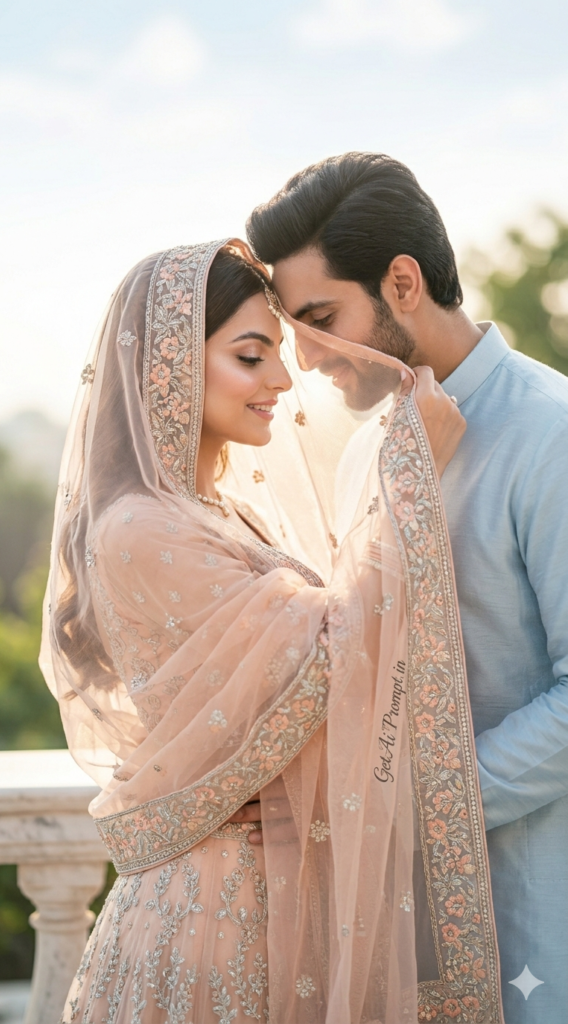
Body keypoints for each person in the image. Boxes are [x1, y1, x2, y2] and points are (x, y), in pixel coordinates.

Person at [40, 237, 497, 1024]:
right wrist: (410, 478)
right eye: (252, 357)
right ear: (169, 365)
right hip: (209, 917)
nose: (283, 382)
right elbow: (323, 663)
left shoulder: (212, 513)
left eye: (280, 354)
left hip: (264, 894)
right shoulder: (137, 530)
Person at [247, 151, 568, 1024]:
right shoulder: (365, 454)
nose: (306, 362)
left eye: (321, 319)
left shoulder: (552, 436)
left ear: (401, 280)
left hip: (539, 912)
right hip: (390, 936)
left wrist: (416, 803)